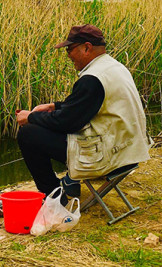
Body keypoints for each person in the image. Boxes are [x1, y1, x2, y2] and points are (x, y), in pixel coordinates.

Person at [16, 24, 150, 202]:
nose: (68, 55)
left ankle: (54, 197)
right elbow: (85, 107)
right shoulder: (113, 67)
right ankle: (71, 181)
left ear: (87, 47)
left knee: (28, 134)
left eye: (70, 49)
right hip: (128, 149)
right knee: (50, 125)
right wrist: (53, 106)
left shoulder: (92, 79)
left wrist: (30, 117)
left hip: (110, 156)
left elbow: (67, 122)